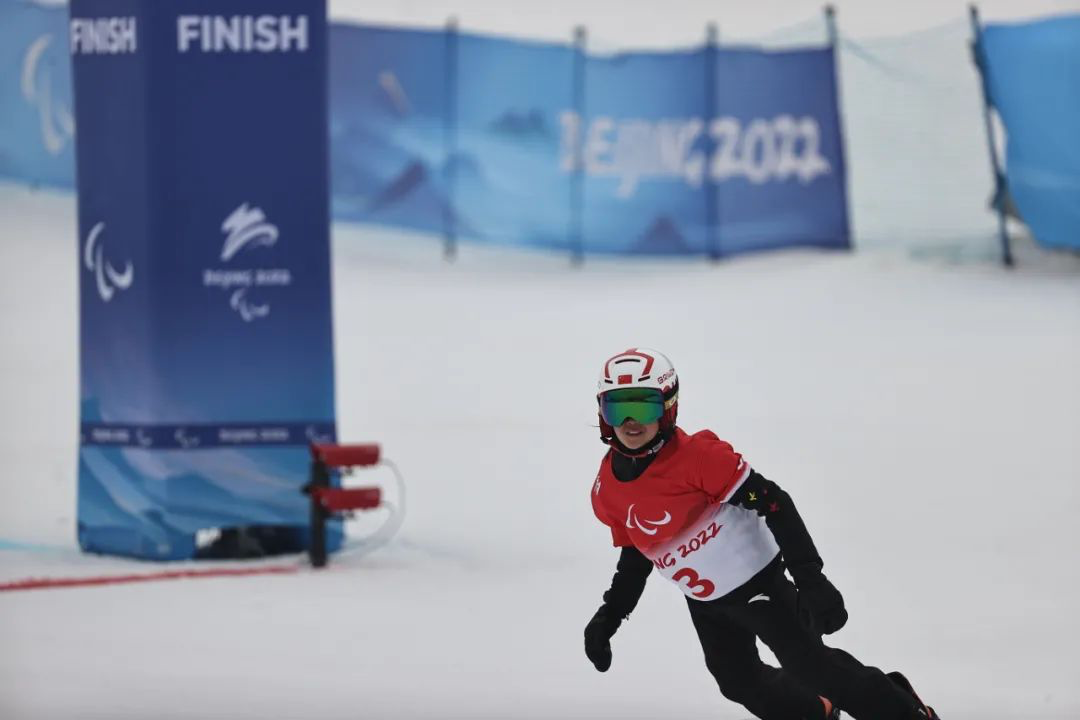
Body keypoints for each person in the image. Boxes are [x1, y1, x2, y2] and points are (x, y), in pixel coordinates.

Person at [584, 348, 940, 720]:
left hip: (759, 585)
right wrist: (610, 615)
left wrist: (811, 579)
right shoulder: (606, 489)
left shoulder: (700, 459)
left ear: (668, 406)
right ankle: (816, 712)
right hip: (706, 602)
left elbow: (773, 502)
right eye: (616, 409)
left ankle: (906, 711)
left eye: (643, 407)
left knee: (814, 667)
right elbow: (636, 552)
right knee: (737, 681)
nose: (630, 422)